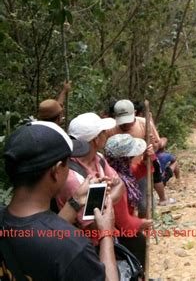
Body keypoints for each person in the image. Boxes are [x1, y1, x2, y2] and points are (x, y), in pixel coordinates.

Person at [0, 121, 118, 281]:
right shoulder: (73, 248)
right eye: (68, 162)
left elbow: (42, 233)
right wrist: (106, 233)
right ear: (56, 171)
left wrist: (75, 201)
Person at [106, 99, 176, 213]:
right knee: (123, 206)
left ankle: (143, 227)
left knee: (145, 205)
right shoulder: (110, 128)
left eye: (127, 120)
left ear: (134, 112)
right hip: (118, 173)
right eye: (121, 121)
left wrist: (152, 147)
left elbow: (157, 145)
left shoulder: (144, 123)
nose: (125, 124)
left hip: (141, 169)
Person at [104, 134, 153, 267]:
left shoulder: (120, 170)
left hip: (120, 228)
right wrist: (142, 223)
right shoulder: (117, 182)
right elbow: (124, 223)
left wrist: (147, 160)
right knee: (138, 243)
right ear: (127, 159)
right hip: (117, 233)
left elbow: (138, 172)